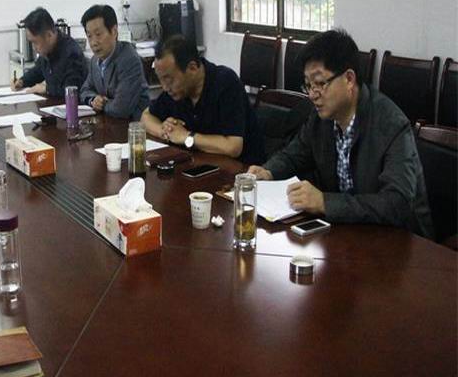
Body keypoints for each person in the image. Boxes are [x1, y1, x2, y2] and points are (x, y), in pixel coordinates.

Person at [247, 28, 433, 238]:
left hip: (403, 242)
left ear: (349, 79)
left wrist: (325, 202)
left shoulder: (392, 126)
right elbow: (294, 154)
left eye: (320, 83)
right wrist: (268, 171)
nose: (312, 95)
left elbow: (396, 204)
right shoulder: (321, 118)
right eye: (308, 85)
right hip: (349, 233)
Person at [141, 35, 265, 164]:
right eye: (160, 79)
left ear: (192, 68)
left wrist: (186, 137)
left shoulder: (225, 83)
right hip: (198, 163)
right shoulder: (176, 91)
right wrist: (166, 131)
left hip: (241, 169)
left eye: (169, 79)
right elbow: (146, 117)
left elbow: (233, 147)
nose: (165, 87)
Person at [79, 4, 149, 120]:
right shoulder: (94, 61)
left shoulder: (129, 59)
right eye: (89, 36)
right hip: (109, 122)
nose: (93, 42)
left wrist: (102, 104)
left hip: (134, 125)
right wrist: (93, 100)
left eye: (98, 34)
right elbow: (84, 91)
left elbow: (121, 109)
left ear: (114, 31)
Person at [12, 7, 86, 96]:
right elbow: (38, 71)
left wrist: (47, 89)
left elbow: (72, 90)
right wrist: (22, 81)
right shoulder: (48, 51)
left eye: (35, 42)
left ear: (49, 35)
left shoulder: (71, 53)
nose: (34, 48)